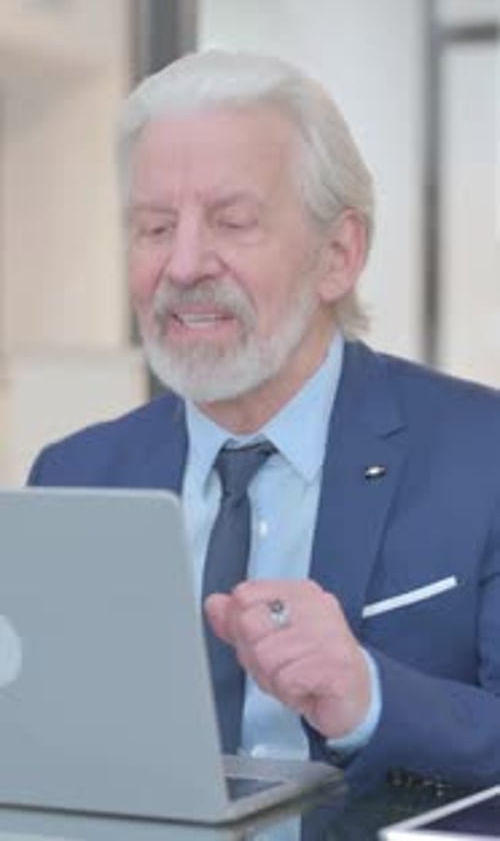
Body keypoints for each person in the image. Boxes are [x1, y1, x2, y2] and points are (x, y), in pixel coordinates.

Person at [28, 49, 500, 796]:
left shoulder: (483, 456)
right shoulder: (74, 476)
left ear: (338, 254)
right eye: (154, 228)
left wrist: (369, 698)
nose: (182, 266)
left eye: (232, 222)